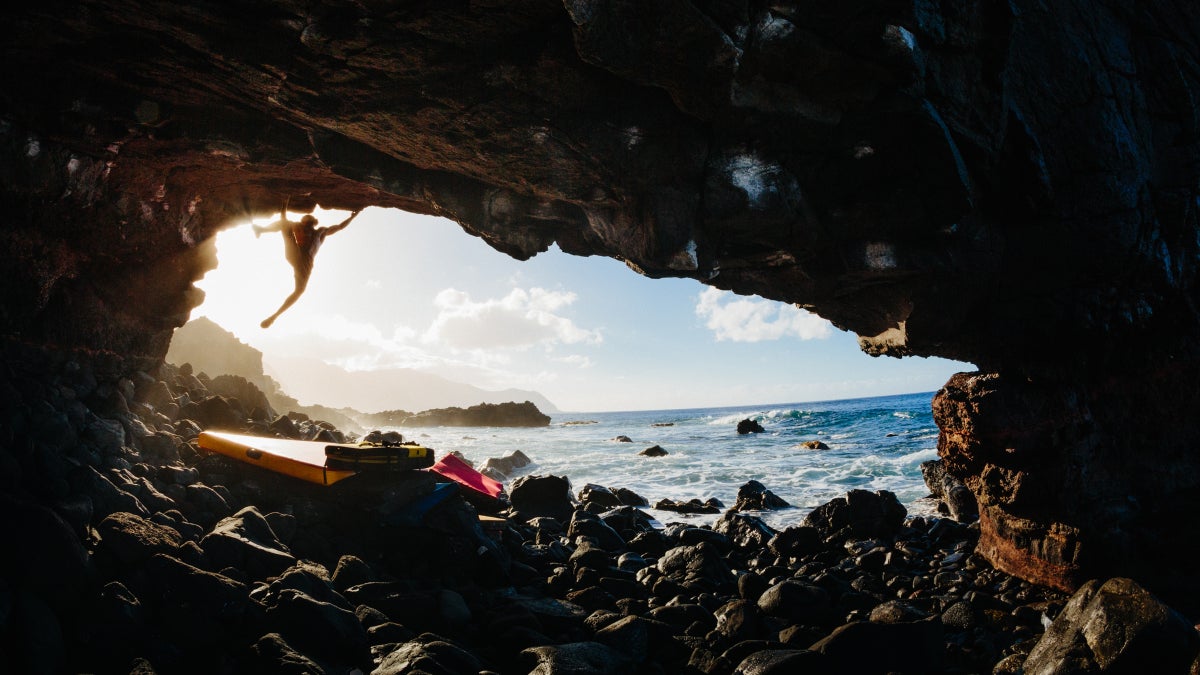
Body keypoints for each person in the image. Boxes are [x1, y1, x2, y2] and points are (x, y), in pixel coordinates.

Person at [254, 205, 360, 328]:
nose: (307, 220)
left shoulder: (321, 231)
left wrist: (353, 217)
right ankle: (261, 230)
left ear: (313, 222)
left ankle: (273, 317)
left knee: (299, 291)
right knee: (285, 224)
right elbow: (283, 219)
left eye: (309, 219)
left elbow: (340, 227)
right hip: (295, 253)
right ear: (302, 221)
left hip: (306, 262)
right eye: (305, 218)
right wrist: (284, 203)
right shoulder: (297, 226)